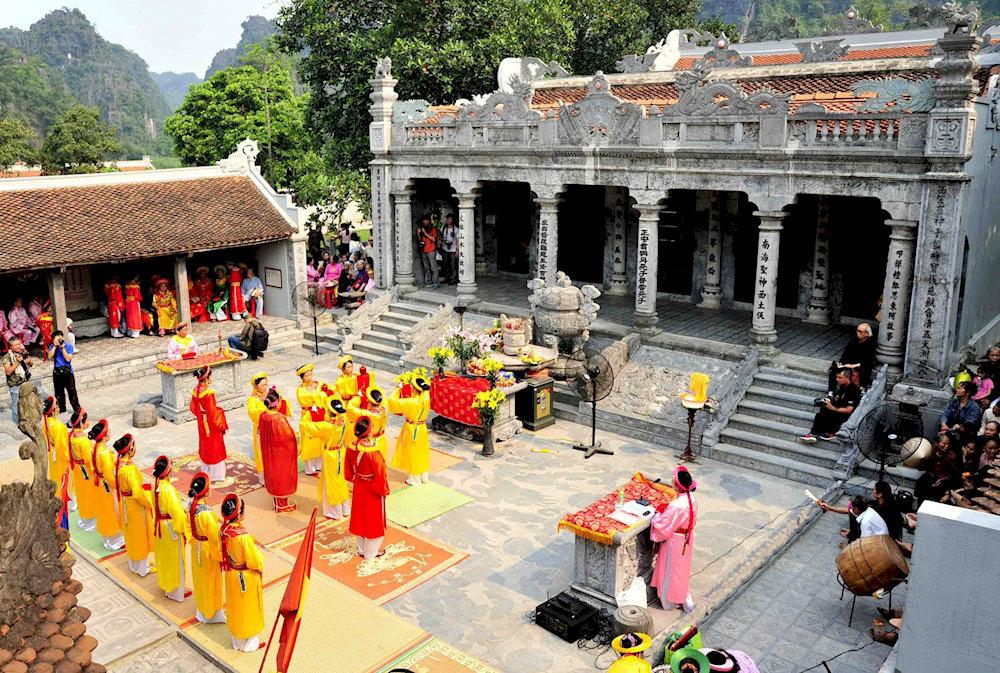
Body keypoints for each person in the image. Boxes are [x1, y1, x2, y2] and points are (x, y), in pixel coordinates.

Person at [650, 466, 698, 613]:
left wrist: (657, 515)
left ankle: (669, 602)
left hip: (675, 542)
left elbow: (661, 525)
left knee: (670, 571)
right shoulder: (691, 497)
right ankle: (682, 596)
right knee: (681, 571)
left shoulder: (677, 505)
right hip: (686, 538)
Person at [220, 494, 264, 651]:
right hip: (244, 577)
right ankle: (248, 643)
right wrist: (260, 564)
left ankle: (236, 639)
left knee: (234, 606)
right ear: (239, 515)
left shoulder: (223, 531)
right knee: (247, 607)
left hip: (231, 573)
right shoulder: (243, 536)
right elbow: (254, 560)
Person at [345, 417, 389, 559]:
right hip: (372, 487)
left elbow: (348, 470)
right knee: (372, 519)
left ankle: (362, 549)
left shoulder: (351, 447)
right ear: (369, 432)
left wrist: (354, 478)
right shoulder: (372, 452)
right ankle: (371, 552)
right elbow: (380, 472)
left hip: (359, 484)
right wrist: (383, 489)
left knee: (360, 516)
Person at [187, 473, 225, 624]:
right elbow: (215, 537)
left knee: (200, 579)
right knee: (212, 580)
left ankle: (202, 610)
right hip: (207, 549)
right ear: (206, 491)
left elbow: (188, 527)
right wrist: (221, 555)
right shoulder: (206, 514)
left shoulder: (191, 507)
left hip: (196, 545)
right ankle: (213, 613)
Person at [113, 434, 153, 577]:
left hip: (126, 502)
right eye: (134, 446)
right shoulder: (129, 470)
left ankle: (134, 564)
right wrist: (149, 501)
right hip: (135, 505)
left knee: (130, 533)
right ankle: (142, 568)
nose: (136, 448)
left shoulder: (120, 464)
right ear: (130, 450)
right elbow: (137, 493)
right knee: (138, 534)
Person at [151, 455, 189, 602]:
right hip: (169, 527)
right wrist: (183, 530)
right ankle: (176, 593)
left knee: (164, 558)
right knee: (175, 559)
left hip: (160, 525)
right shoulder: (168, 490)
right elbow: (177, 513)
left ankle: (167, 587)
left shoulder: (157, 485)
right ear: (167, 471)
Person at [258, 388, 300, 513]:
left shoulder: (263, 415)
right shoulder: (279, 419)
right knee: (282, 475)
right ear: (277, 403)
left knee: (273, 474)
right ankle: (282, 505)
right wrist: (297, 437)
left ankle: (277, 502)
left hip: (269, 450)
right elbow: (288, 436)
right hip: (280, 453)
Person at [818, 481, 902, 542]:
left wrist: (850, 546)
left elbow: (865, 541)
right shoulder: (879, 502)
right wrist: (829, 507)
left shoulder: (885, 509)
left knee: (854, 515)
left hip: (884, 539)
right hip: (879, 531)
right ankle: (853, 533)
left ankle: (852, 536)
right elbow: (850, 510)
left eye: (874, 489)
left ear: (880, 494)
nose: (872, 490)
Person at [388, 377, 432, 486]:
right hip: (422, 428)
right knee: (422, 452)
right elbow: (425, 390)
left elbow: (393, 402)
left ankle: (415, 479)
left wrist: (398, 389)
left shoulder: (412, 402)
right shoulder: (426, 397)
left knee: (413, 453)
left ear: (415, 389)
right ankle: (423, 476)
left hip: (413, 429)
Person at [90, 419, 126, 551]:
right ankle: (115, 541)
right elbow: (109, 475)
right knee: (112, 511)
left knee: (104, 510)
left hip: (99, 483)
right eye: (108, 431)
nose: (110, 432)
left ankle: (107, 539)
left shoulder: (95, 448)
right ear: (104, 436)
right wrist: (118, 485)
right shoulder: (104, 453)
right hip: (107, 485)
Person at [800, 368, 861, 443]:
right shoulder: (842, 387)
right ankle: (814, 434)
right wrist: (826, 401)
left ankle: (828, 432)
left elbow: (849, 410)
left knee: (826, 413)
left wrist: (832, 408)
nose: (837, 379)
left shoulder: (853, 390)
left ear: (848, 377)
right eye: (837, 377)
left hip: (846, 417)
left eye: (840, 377)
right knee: (822, 411)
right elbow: (836, 398)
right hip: (837, 411)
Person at [190, 366, 229, 482]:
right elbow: (213, 413)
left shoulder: (196, 390)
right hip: (211, 425)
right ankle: (218, 475)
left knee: (205, 447)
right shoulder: (208, 393)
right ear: (206, 378)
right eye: (210, 376)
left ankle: (206, 471)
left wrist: (201, 415)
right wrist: (221, 424)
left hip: (202, 423)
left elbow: (192, 407)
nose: (211, 378)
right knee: (215, 448)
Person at [318, 398, 351, 520]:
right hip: (341, 452)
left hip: (331, 455)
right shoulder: (344, 421)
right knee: (341, 481)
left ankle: (335, 512)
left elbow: (308, 427)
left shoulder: (328, 427)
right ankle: (345, 508)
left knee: (331, 484)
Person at [296, 363, 327, 475]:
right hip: (307, 415)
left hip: (318, 414)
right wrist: (318, 394)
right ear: (302, 377)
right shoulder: (300, 389)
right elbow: (304, 399)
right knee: (308, 440)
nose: (309, 377)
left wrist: (320, 391)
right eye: (307, 376)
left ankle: (319, 464)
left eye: (310, 374)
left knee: (319, 438)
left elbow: (327, 391)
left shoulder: (317, 384)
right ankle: (309, 468)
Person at [68, 409, 96, 531]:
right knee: (89, 494)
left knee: (81, 493)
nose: (88, 422)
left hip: (78, 470)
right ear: (81, 423)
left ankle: (85, 518)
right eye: (86, 420)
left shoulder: (72, 435)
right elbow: (89, 459)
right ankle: (91, 521)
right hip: (86, 471)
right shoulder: (83, 440)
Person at [42, 396, 72, 506]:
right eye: (57, 407)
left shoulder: (45, 423)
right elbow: (62, 446)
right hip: (61, 457)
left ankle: (57, 496)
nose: (59, 409)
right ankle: (66, 500)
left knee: (55, 476)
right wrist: (70, 458)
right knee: (64, 478)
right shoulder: (58, 426)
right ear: (53, 410)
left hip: (52, 455)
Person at [828, 323, 876, 390]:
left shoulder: (871, 344)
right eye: (857, 331)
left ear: (867, 333)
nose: (858, 333)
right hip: (848, 364)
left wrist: (852, 366)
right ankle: (831, 391)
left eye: (861, 332)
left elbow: (869, 362)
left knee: (852, 374)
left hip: (860, 368)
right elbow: (845, 354)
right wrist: (842, 363)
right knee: (834, 370)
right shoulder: (854, 340)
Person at [915, 433, 959, 506]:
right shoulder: (931, 452)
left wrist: (943, 479)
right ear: (937, 443)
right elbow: (921, 468)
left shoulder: (951, 456)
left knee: (938, 488)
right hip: (931, 477)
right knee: (922, 482)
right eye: (944, 443)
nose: (947, 446)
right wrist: (923, 459)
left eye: (948, 444)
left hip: (944, 479)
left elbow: (953, 473)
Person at [347, 385, 389, 459]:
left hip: (371, 443)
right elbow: (383, 399)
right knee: (381, 462)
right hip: (382, 440)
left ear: (369, 402)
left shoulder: (368, 414)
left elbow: (350, 409)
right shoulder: (385, 408)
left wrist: (358, 397)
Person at [48, 330, 80, 414]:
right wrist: (55, 346)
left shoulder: (68, 346)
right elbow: (49, 357)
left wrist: (62, 348)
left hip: (68, 372)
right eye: (56, 339)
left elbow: (68, 359)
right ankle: (61, 409)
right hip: (57, 372)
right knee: (59, 393)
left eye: (60, 338)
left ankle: (77, 410)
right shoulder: (52, 346)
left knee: (72, 392)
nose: (59, 340)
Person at [4, 337, 34, 423]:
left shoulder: (22, 352)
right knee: (16, 405)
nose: (18, 346)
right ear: (11, 346)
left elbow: (31, 364)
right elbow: (8, 372)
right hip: (15, 384)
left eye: (19, 344)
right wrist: (17, 362)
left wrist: (29, 362)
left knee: (27, 403)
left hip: (24, 382)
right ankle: (16, 424)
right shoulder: (7, 357)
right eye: (15, 345)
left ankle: (27, 422)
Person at [416, 215, 440, 287]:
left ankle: (436, 282)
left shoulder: (433, 229)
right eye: (424, 220)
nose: (425, 221)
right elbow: (420, 240)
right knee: (426, 267)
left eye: (426, 220)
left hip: (431, 250)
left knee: (433, 267)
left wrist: (425, 234)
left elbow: (434, 239)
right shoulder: (422, 229)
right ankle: (429, 282)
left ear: (429, 221)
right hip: (423, 250)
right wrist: (418, 233)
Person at [440, 213, 459, 284]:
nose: (449, 221)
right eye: (448, 219)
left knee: (453, 265)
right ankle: (447, 278)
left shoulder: (456, 229)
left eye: (450, 219)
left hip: (453, 249)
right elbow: (440, 236)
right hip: (445, 249)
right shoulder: (443, 227)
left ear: (453, 220)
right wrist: (442, 241)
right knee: (445, 264)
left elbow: (458, 239)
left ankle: (453, 279)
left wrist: (457, 250)